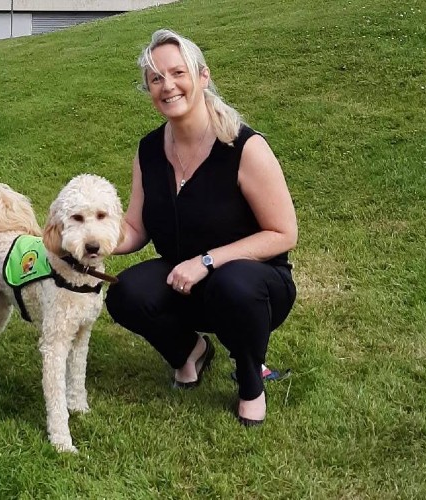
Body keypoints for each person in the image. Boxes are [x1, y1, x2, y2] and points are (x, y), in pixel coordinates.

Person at [105, 29, 297, 427]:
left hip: (254, 285)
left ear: (203, 76)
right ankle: (190, 352)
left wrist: (207, 261)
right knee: (125, 294)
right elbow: (135, 227)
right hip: (183, 281)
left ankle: (250, 382)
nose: (167, 85)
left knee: (234, 285)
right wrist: (86, 242)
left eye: (177, 73)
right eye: (156, 78)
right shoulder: (148, 150)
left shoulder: (244, 147)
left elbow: (283, 233)